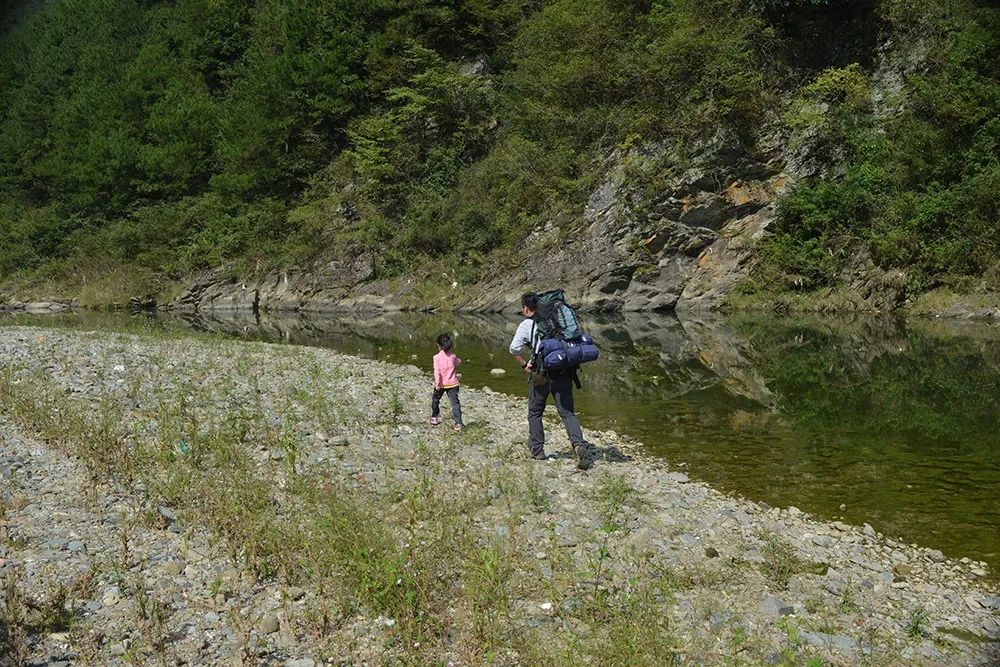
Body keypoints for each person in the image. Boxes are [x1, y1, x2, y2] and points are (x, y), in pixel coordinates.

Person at [509, 293, 592, 470]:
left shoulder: (527, 325)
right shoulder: (558, 321)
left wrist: (524, 365)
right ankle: (579, 445)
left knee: (535, 412)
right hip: (563, 371)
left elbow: (514, 349)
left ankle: (538, 450)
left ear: (526, 308)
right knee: (567, 413)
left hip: (540, 374)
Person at [431, 332, 463, 431]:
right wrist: (451, 365)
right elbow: (459, 361)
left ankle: (434, 417)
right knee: (455, 404)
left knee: (435, 400)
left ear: (438, 345)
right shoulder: (453, 356)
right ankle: (458, 423)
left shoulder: (436, 358)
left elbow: (437, 372)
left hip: (441, 384)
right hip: (453, 384)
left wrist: (437, 383)